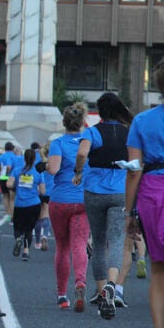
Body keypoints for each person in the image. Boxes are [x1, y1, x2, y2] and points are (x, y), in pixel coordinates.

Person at [73, 92, 132, 320]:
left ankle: (100, 293)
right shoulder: (129, 133)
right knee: (117, 241)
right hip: (120, 191)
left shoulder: (93, 131)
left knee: (98, 242)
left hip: (94, 191)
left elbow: (82, 153)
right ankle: (112, 285)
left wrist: (79, 172)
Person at [124, 58, 164, 328]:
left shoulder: (142, 121)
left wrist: (129, 213)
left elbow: (134, 171)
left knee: (159, 270)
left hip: (153, 192)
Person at [47, 103, 90, 311]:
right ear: (82, 122)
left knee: (62, 247)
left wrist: (47, 165)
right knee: (79, 245)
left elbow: (53, 169)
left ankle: (62, 295)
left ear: (64, 122)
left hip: (61, 200)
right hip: (83, 200)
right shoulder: (87, 143)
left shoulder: (58, 143)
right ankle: (80, 282)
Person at [7, 147, 45, 261]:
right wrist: (36, 190)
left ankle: (18, 239)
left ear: (24, 158)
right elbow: (43, 191)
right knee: (29, 229)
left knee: (18, 227)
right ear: (34, 159)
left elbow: (9, 184)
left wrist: (16, 186)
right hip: (34, 204)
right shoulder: (38, 172)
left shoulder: (17, 170)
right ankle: (26, 251)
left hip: (20, 204)